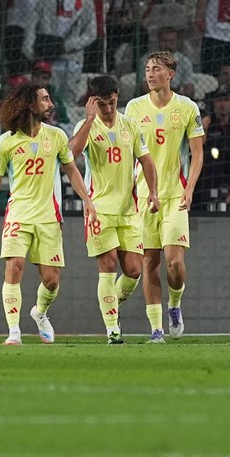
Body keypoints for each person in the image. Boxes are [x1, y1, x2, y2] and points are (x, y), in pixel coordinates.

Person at [0, 83, 94, 345]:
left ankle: (39, 313)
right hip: (18, 214)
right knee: (13, 268)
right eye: (45, 99)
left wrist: (88, 202)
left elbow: (71, 170)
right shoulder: (7, 141)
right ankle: (14, 331)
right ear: (29, 104)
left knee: (51, 281)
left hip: (49, 216)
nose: (50, 104)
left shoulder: (57, 136)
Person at [67, 75, 159, 343]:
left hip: (128, 210)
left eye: (112, 103)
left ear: (118, 97)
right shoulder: (85, 126)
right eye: (102, 104)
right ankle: (112, 330)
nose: (108, 109)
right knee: (106, 266)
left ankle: (111, 306)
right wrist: (88, 119)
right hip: (98, 209)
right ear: (93, 102)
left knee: (133, 270)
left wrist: (152, 192)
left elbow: (147, 161)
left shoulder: (130, 125)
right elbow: (72, 153)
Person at [124, 50, 204, 343]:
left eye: (156, 68)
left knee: (174, 263)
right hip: (144, 197)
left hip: (174, 196)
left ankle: (175, 304)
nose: (150, 73)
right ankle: (156, 329)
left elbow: (197, 153)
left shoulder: (186, 108)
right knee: (149, 262)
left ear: (171, 74)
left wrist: (190, 188)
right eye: (147, 68)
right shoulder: (133, 108)